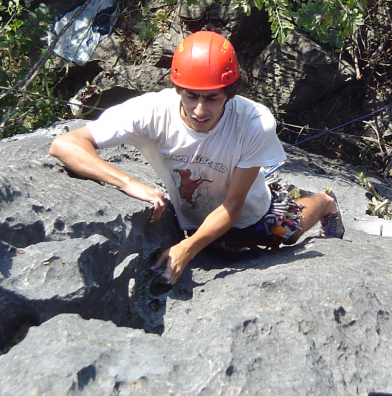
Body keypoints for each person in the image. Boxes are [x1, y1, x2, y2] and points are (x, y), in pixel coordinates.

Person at [49, 30, 342, 288]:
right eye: (191, 96)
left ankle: (325, 202)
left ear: (229, 93)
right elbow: (66, 144)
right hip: (191, 209)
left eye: (212, 98)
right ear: (177, 89)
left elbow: (233, 205)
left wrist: (188, 248)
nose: (200, 110)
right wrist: (127, 182)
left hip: (246, 210)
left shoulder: (254, 122)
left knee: (284, 234)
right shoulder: (151, 111)